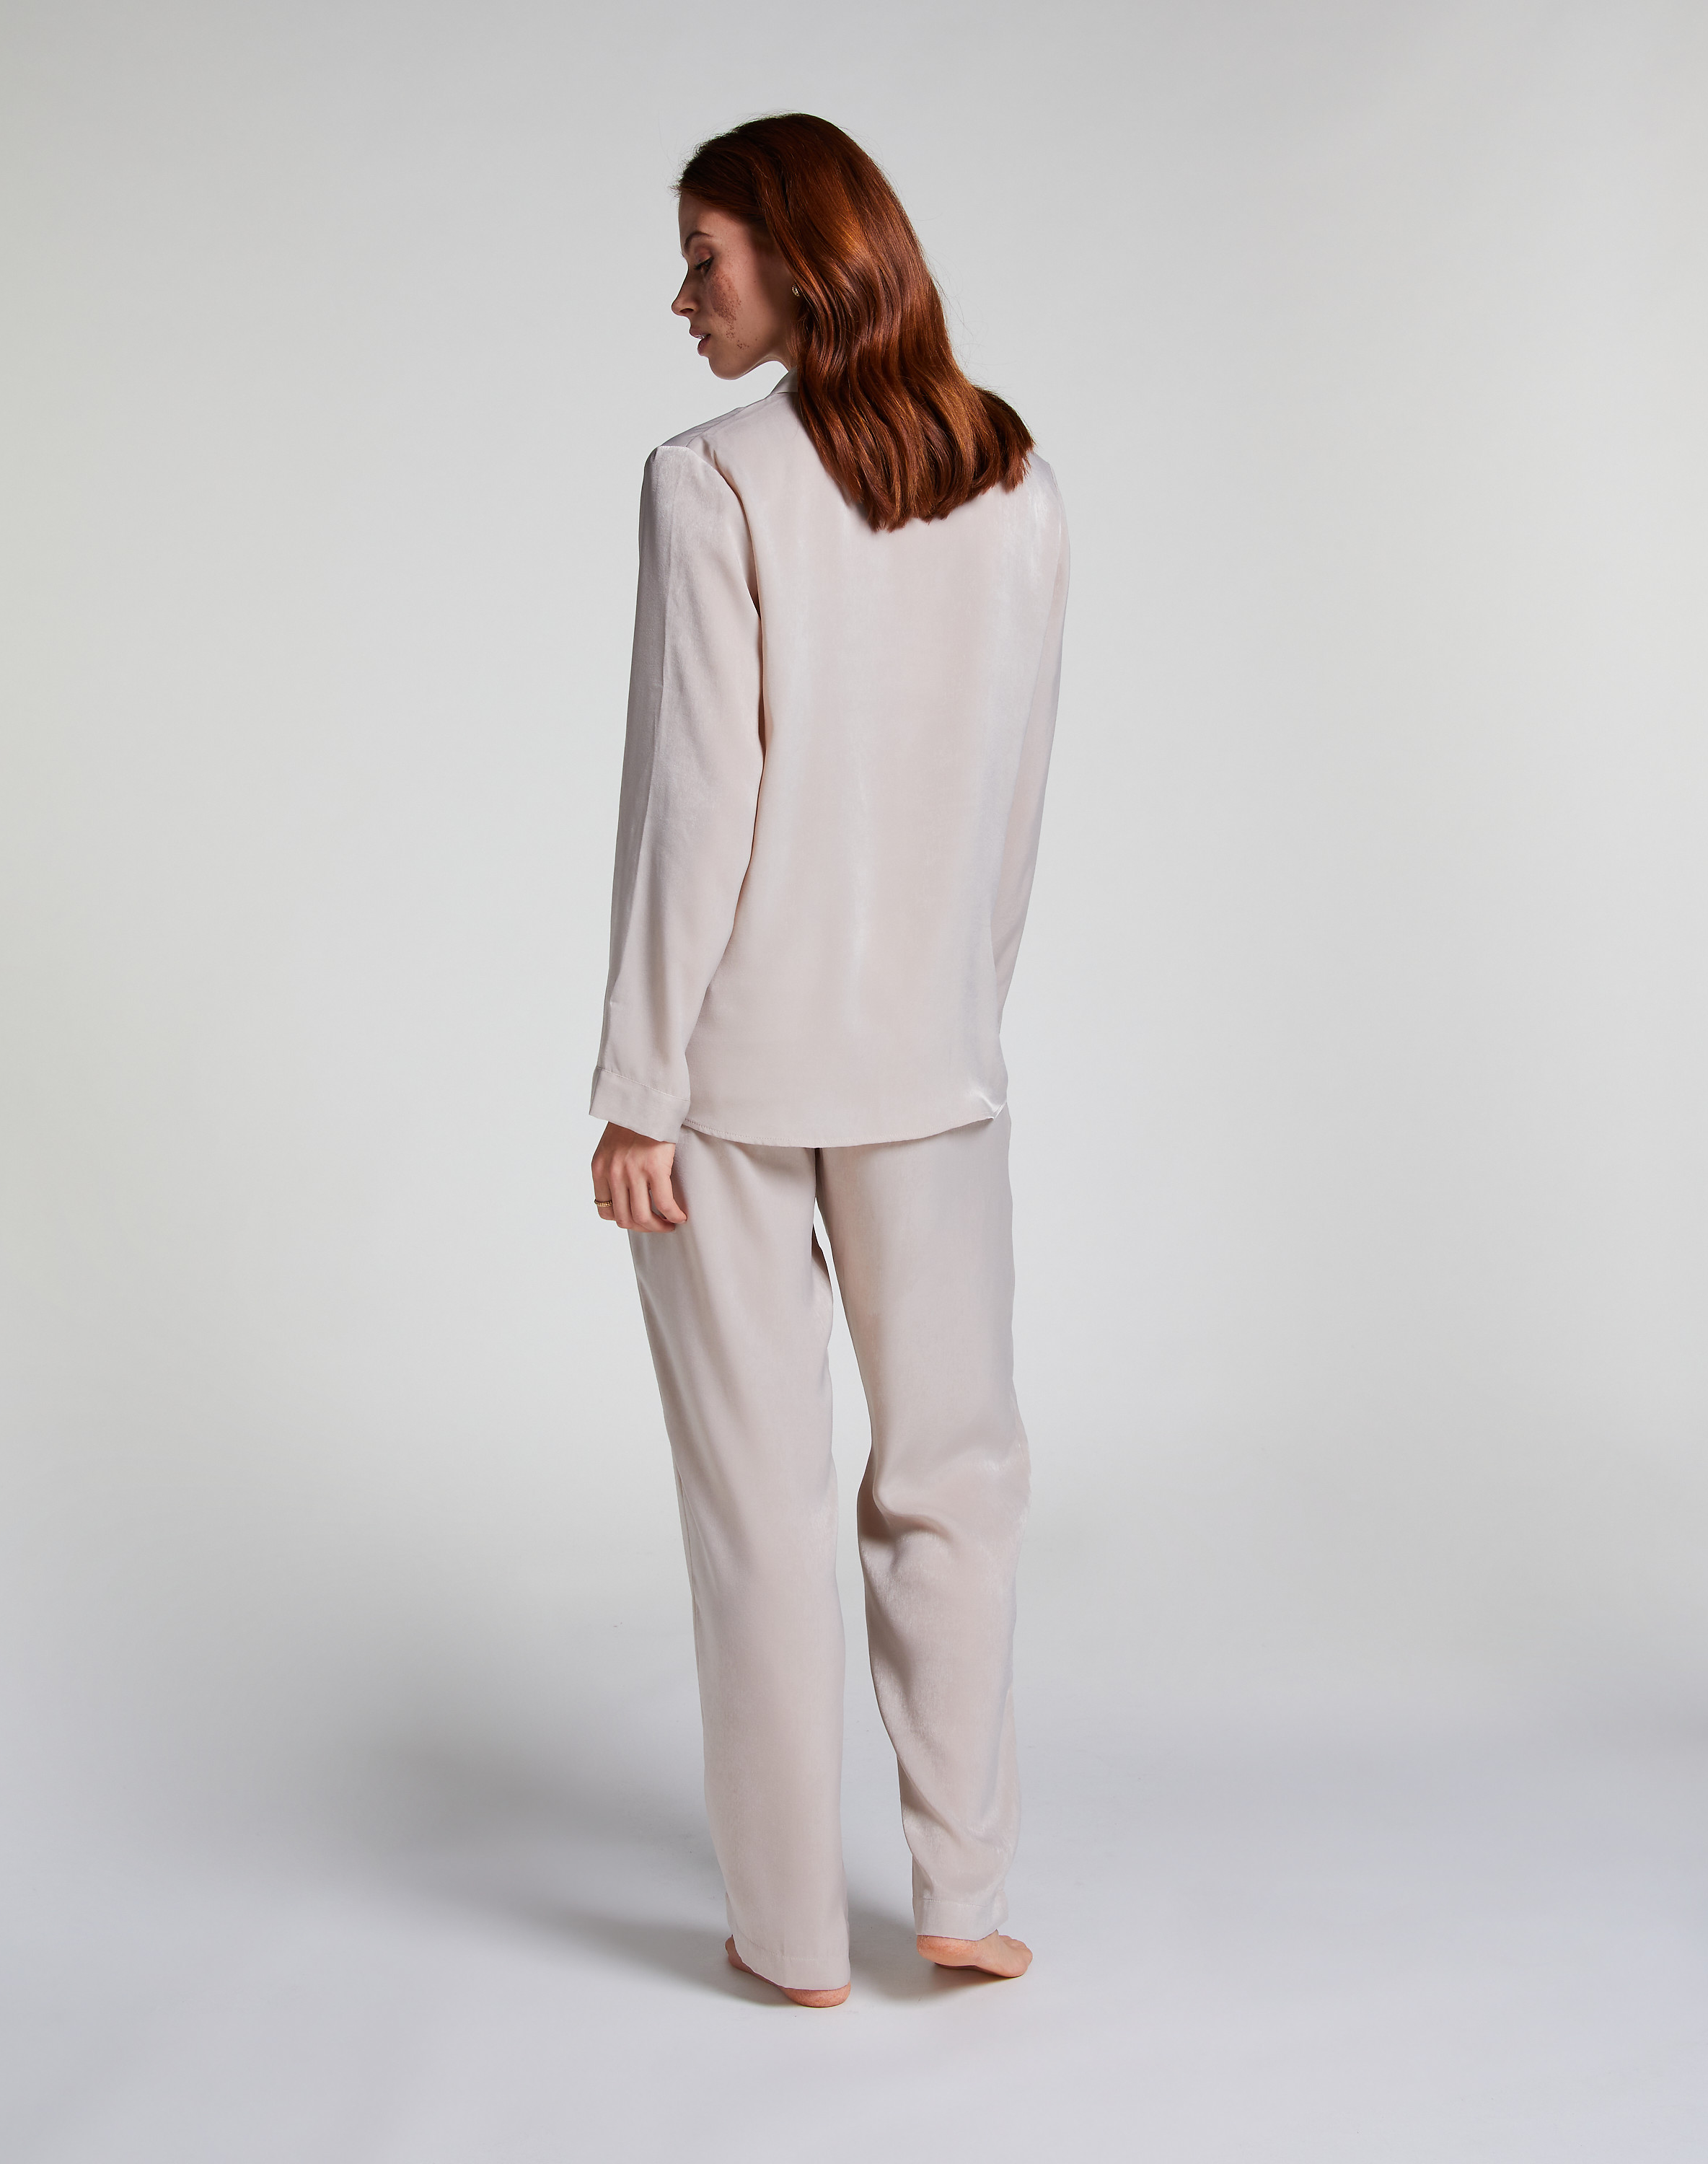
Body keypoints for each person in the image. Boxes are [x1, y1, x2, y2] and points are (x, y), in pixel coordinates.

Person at [588, 114, 1068, 2010]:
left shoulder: (709, 480)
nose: (681, 298)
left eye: (702, 257)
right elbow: (1015, 793)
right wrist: (960, 1001)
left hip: (732, 1073)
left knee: (761, 1511)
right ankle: (963, 1893)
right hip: (932, 1061)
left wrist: (636, 1085)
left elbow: (691, 803)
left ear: (799, 260)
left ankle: (790, 1939)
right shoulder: (1012, 477)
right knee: (957, 1479)